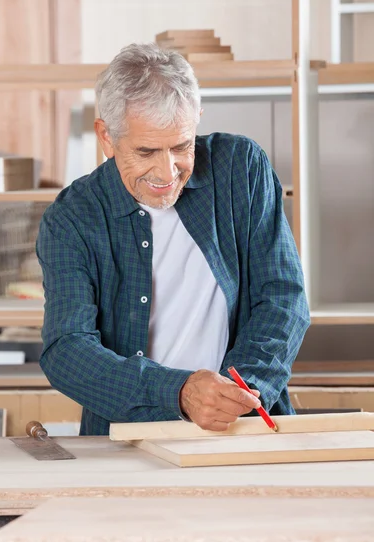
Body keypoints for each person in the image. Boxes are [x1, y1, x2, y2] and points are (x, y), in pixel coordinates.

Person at [36, 43, 310, 436]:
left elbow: (283, 295)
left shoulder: (241, 168)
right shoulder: (72, 218)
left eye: (182, 146)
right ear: (106, 136)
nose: (167, 171)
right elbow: (67, 349)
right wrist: (178, 392)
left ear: (196, 119)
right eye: (146, 151)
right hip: (126, 437)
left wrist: (239, 393)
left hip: (241, 427)